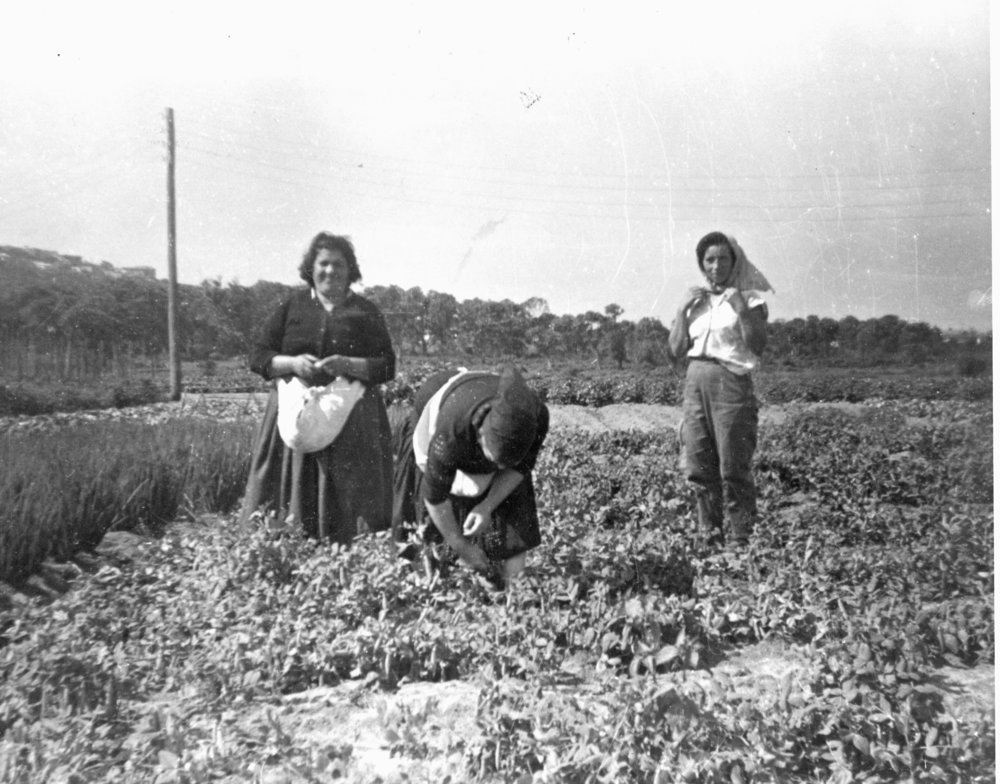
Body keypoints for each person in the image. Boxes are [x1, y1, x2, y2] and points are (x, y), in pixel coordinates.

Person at [240, 232, 396, 544]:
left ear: (350, 269)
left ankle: (350, 546)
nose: (330, 271)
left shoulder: (365, 311)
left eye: (339, 264)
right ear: (311, 268)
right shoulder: (292, 307)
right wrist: (293, 364)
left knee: (352, 491)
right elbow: (258, 357)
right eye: (323, 263)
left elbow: (387, 366)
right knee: (292, 486)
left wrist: (349, 365)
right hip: (295, 412)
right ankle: (288, 541)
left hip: (352, 413)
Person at [392, 365, 549, 588]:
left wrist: (486, 506)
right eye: (493, 460)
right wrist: (463, 547)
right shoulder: (452, 430)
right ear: (480, 433)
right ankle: (428, 583)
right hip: (439, 407)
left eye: (503, 465)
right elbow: (435, 496)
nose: (497, 468)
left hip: (477, 400)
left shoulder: (537, 417)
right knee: (427, 533)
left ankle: (512, 591)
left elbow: (521, 468)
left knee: (513, 505)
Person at [668, 232, 772, 547]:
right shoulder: (695, 301)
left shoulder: (751, 299)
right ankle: (708, 537)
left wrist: (740, 308)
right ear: (702, 264)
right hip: (696, 379)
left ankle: (741, 540)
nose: (716, 266)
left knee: (733, 466)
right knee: (699, 465)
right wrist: (681, 311)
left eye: (723, 259)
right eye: (709, 259)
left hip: (731, 382)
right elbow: (675, 349)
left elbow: (758, 346)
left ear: (734, 262)